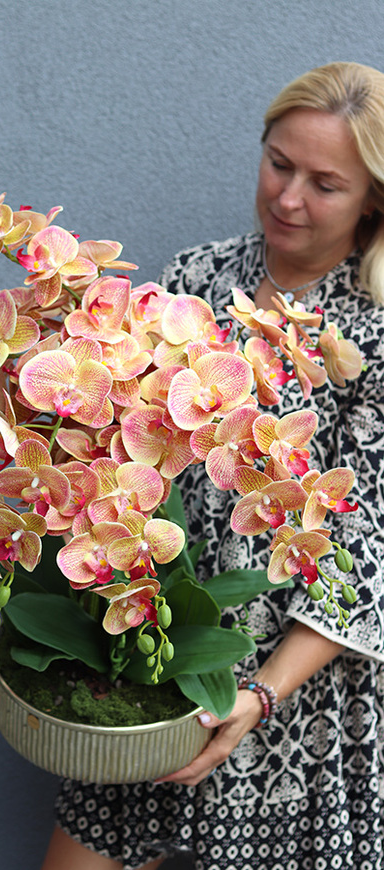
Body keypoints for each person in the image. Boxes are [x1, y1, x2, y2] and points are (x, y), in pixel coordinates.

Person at [41, 62, 384, 870]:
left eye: (325, 184)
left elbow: (370, 545)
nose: (288, 198)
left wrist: (261, 694)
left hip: (300, 690)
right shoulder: (197, 282)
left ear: (373, 197)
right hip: (160, 651)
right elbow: (121, 449)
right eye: (278, 162)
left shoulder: (371, 333)